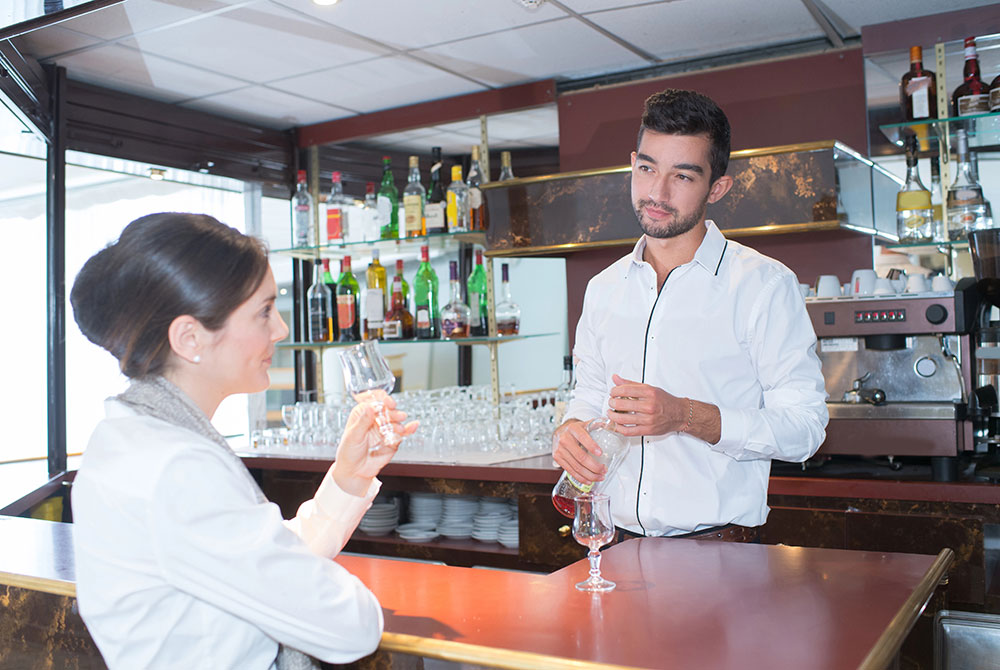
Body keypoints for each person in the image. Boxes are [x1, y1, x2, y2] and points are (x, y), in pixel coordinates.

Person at [70, 213, 417, 669]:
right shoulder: (176, 466)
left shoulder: (133, 435)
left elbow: (258, 563)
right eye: (264, 311)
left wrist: (349, 477)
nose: (281, 330)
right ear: (190, 338)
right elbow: (350, 627)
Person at [552, 89, 828, 542]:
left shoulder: (764, 285)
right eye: (646, 168)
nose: (656, 193)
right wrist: (569, 428)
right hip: (612, 542)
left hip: (720, 551)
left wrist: (684, 415)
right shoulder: (602, 289)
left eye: (682, 176)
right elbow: (590, 395)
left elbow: (805, 430)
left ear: (716, 188)